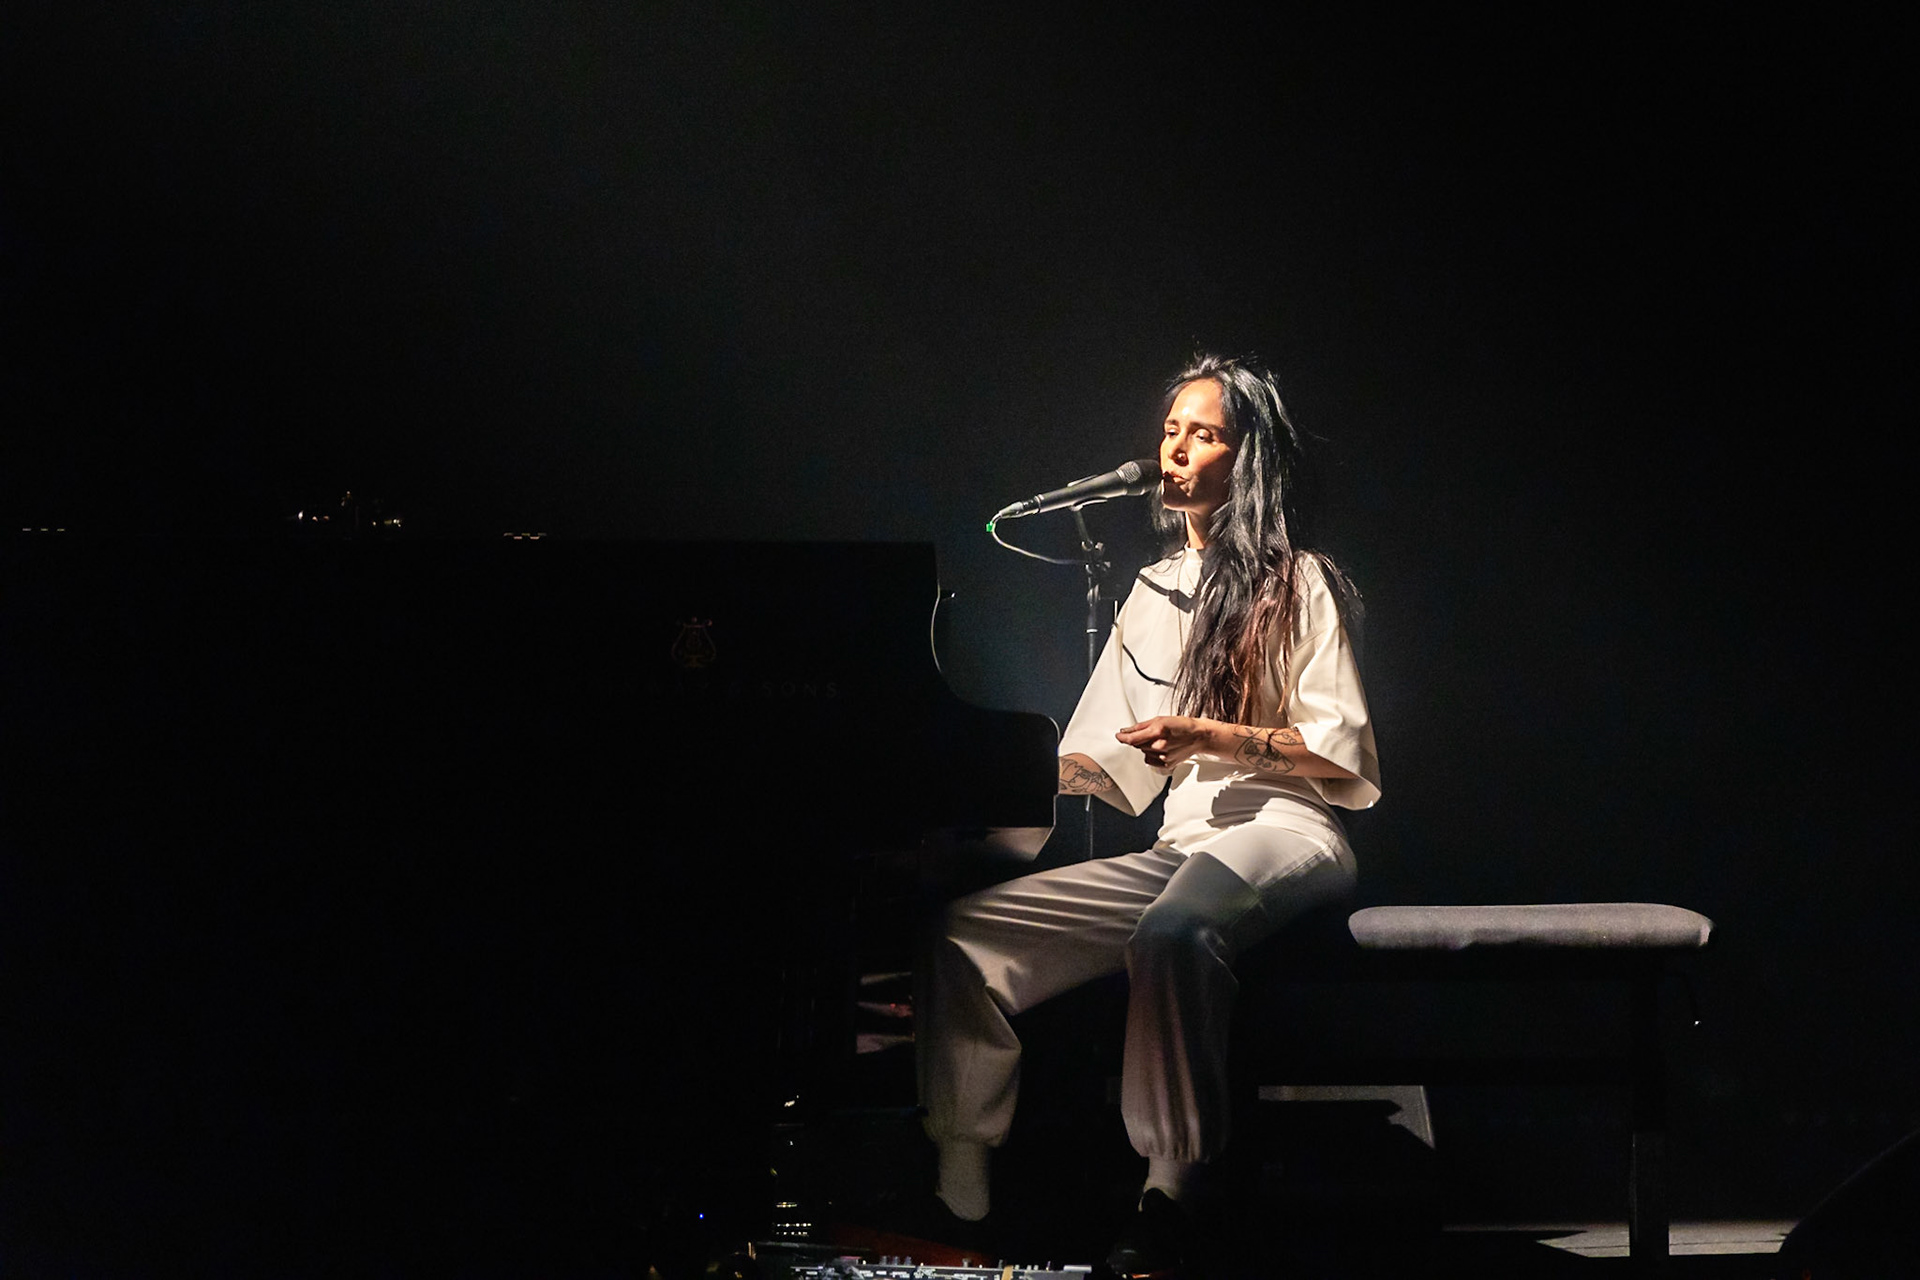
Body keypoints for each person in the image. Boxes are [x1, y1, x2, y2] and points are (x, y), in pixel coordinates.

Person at [915, 354, 1382, 1274]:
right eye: (1171, 429)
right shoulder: (1152, 590)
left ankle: (1173, 1185)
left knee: (1170, 936)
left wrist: (1210, 735)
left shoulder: (1301, 583)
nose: (1174, 450)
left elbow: (1343, 756)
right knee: (966, 935)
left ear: (1244, 459)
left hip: (1287, 829)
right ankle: (958, 1175)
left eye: (1202, 433)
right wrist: (982, 783)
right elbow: (1103, 763)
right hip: (1183, 846)